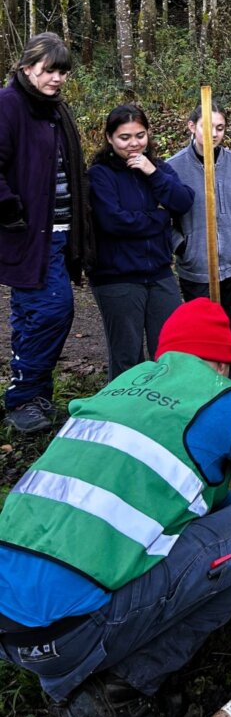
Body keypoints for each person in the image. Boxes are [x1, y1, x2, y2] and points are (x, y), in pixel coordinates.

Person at [0, 298, 231, 717]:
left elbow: (201, 492)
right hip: (76, 634)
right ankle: (121, 688)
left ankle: (63, 678)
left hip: (9, 631)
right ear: (223, 362)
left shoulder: (123, 386)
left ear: (165, 354)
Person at [0, 33, 92, 435]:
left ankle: (34, 395)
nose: (57, 78)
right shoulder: (9, 105)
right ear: (27, 67)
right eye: (49, 70)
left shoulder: (53, 110)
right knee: (54, 309)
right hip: (29, 233)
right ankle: (22, 399)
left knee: (34, 312)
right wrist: (9, 207)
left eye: (62, 72)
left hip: (58, 232)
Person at [88, 105, 195, 380]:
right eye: (125, 137)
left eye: (140, 135)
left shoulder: (158, 168)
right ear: (110, 138)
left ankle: (161, 412)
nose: (134, 143)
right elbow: (113, 221)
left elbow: (182, 201)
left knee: (170, 349)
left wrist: (152, 173)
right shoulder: (100, 174)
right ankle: (123, 416)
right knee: (127, 356)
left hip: (159, 273)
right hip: (117, 277)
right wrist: (160, 217)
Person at [167, 101, 231, 374]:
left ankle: (228, 387)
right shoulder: (173, 168)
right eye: (207, 127)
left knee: (227, 330)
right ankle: (201, 387)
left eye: (220, 128)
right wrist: (182, 244)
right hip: (196, 269)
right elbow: (161, 217)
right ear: (191, 127)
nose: (214, 134)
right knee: (200, 334)